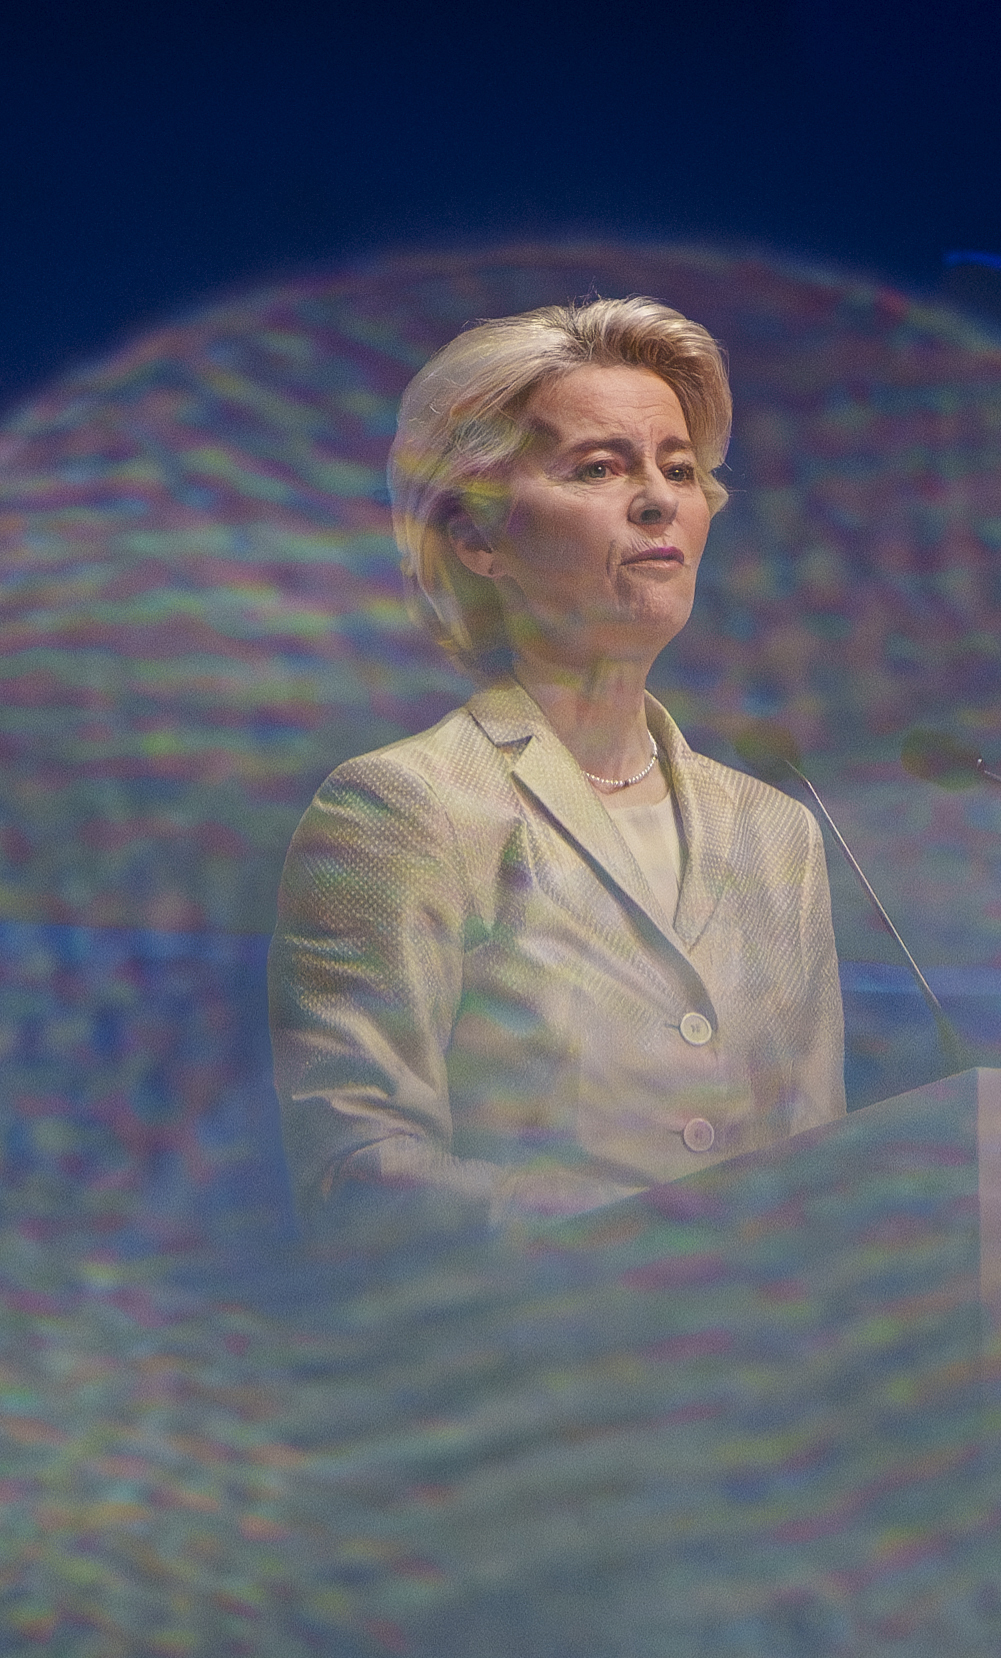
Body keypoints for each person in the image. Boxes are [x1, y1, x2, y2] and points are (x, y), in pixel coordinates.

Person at [268, 296, 846, 1242]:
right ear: (477, 537)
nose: (658, 500)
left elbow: (818, 1167)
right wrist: (627, 1235)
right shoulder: (404, 806)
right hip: (531, 1335)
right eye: (599, 468)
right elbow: (355, 1174)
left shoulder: (777, 834)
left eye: (678, 468)